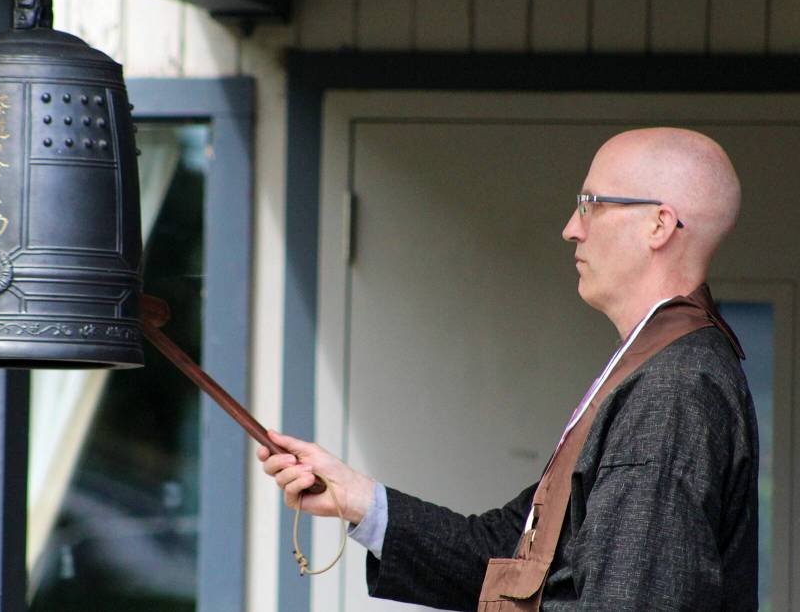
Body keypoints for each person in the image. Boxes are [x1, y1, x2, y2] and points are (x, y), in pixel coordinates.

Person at [259, 127, 758, 611]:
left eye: (592, 204)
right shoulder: (659, 366)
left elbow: (634, 595)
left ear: (659, 225)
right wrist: (357, 499)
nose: (572, 227)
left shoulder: (674, 387)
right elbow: (513, 553)